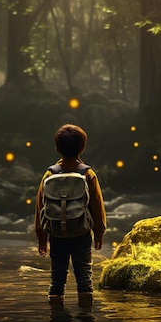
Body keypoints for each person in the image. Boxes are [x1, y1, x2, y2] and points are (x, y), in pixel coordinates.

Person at [34, 124, 106, 310]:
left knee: (57, 277)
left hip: (56, 234)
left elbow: (40, 207)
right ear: (82, 147)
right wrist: (99, 233)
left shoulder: (49, 174)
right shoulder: (88, 174)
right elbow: (97, 208)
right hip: (81, 232)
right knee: (84, 275)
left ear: (58, 148)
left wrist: (42, 237)